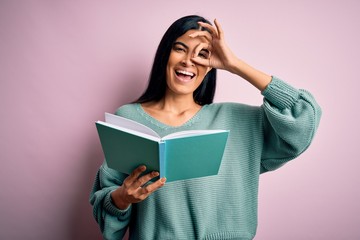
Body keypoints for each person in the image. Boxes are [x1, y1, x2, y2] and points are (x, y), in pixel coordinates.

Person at [90, 15, 322, 240]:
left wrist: (235, 65)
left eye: (202, 54)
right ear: (165, 54)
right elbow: (106, 206)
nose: (188, 61)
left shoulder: (239, 121)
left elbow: (303, 116)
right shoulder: (128, 117)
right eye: (180, 48)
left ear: (211, 65)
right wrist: (122, 198)